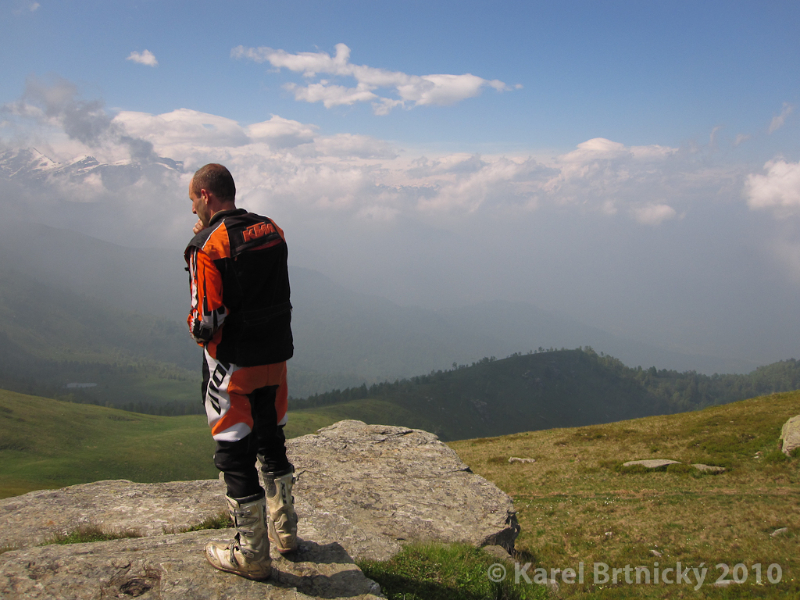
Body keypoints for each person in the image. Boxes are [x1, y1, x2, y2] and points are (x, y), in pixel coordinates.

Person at [184, 163, 298, 580]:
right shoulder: (271, 229)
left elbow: (205, 321)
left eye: (192, 200)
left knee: (234, 453)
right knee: (271, 440)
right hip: (276, 359)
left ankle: (252, 554)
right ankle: (287, 532)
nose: (191, 209)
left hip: (232, 367)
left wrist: (195, 329)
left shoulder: (207, 245)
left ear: (206, 195)